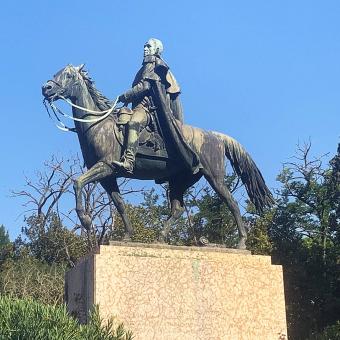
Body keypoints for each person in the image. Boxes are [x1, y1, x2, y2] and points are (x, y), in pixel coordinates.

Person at [113, 38, 194, 173]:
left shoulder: (156, 66)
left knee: (134, 122)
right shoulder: (144, 67)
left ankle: (129, 161)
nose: (145, 49)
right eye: (144, 46)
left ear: (156, 50)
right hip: (137, 107)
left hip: (147, 109)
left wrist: (125, 96)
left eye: (148, 46)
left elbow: (145, 86)